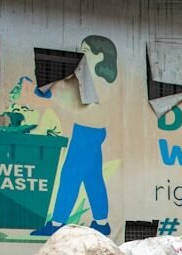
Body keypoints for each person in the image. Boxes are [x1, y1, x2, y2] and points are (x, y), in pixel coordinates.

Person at [31, 35, 116, 237]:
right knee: (92, 177)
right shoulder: (93, 78)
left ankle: (57, 224)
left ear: (100, 55)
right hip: (87, 130)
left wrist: (51, 91)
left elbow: (76, 101)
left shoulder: (100, 80)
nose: (81, 58)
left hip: (88, 131)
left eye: (86, 52)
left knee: (70, 176)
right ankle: (102, 223)